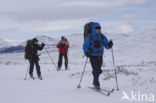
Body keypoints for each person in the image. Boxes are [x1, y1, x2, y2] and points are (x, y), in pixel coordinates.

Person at [83, 22, 113, 89]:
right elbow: (85, 46)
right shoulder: (89, 37)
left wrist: (109, 44)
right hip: (92, 56)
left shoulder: (102, 36)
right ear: (94, 29)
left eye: (99, 29)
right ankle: (96, 82)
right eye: (97, 29)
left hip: (100, 55)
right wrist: (86, 52)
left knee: (99, 70)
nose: (98, 30)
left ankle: (95, 80)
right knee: (95, 69)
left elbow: (107, 46)